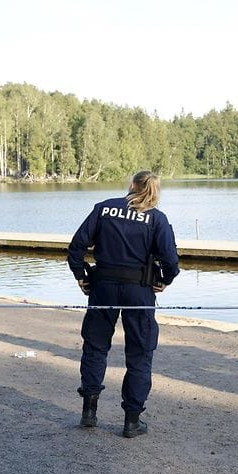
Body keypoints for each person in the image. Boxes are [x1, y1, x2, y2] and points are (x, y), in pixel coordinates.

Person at [67, 171, 180, 437]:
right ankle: (131, 420)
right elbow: (171, 260)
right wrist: (165, 280)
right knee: (140, 353)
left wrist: (82, 276)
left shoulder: (104, 208)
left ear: (131, 185)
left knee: (95, 347)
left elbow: (76, 247)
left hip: (103, 287)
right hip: (139, 290)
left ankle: (89, 412)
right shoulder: (157, 219)